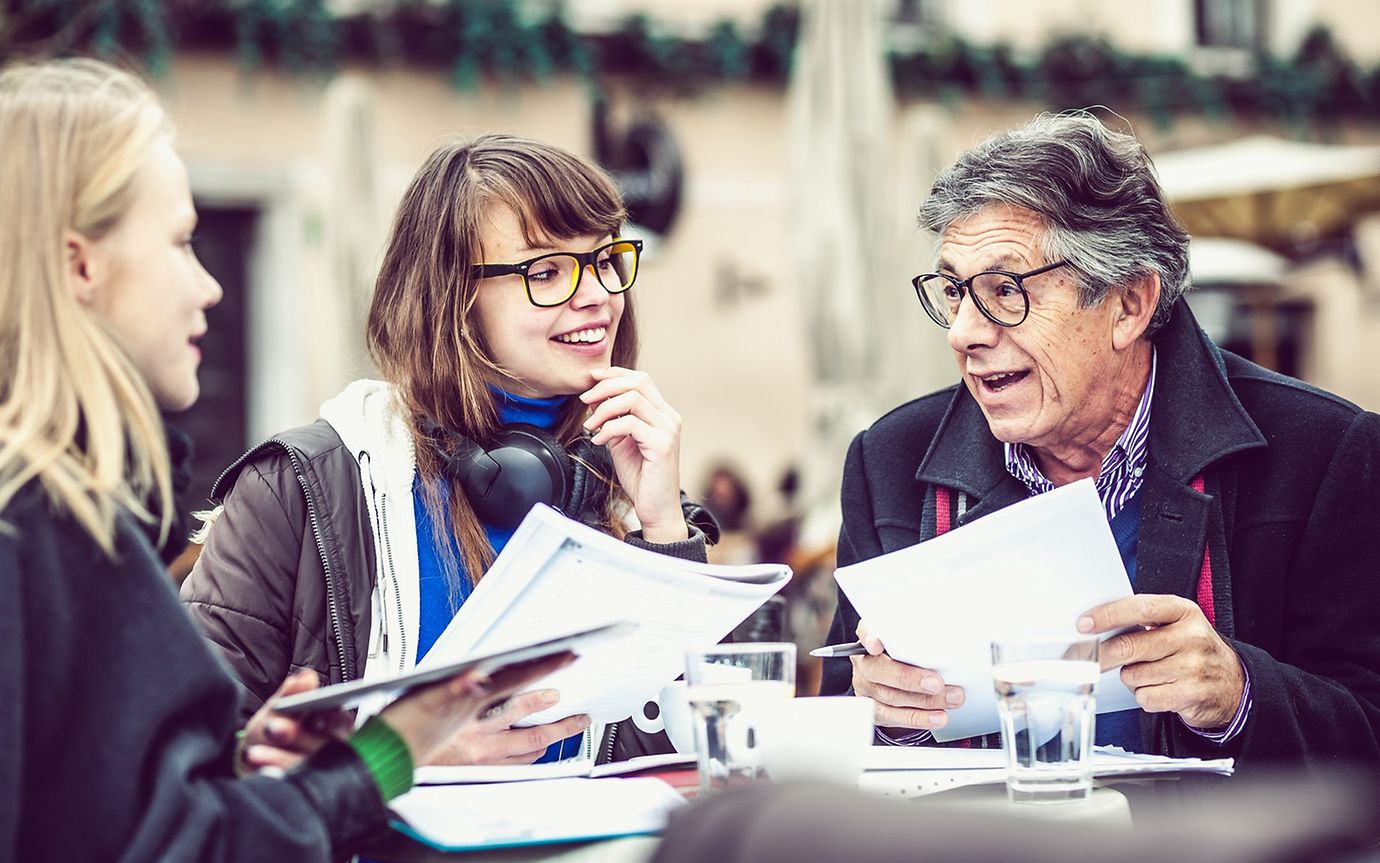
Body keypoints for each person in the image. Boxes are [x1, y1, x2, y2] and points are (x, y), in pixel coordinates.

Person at [0, 58, 568, 860]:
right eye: (181, 243)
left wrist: (229, 761)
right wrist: (390, 752)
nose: (210, 288)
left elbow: (85, 815)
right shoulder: (43, 527)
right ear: (78, 265)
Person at [821, 112, 1380, 769]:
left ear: (1129, 303)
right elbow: (834, 739)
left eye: (1005, 290)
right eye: (953, 291)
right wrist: (882, 713)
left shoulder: (1323, 452)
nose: (962, 332)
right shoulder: (889, 461)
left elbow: (1367, 734)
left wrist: (1241, 693)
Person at [181, 133, 717, 768]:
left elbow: (689, 759)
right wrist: (398, 759)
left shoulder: (618, 485)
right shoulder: (300, 491)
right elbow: (191, 763)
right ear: (454, 300)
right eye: (546, 270)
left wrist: (664, 533)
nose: (598, 294)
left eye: (606, 261)